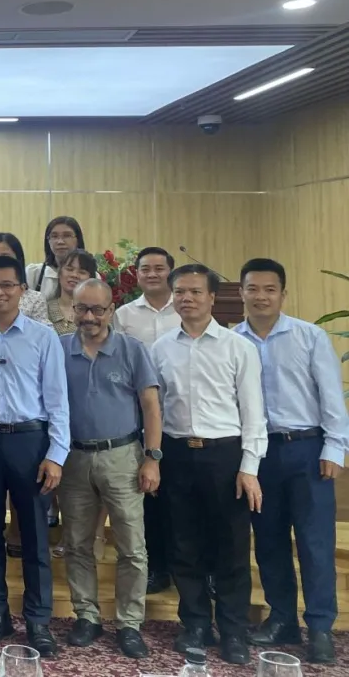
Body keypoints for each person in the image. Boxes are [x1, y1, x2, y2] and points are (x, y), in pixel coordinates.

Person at [150, 264, 265, 665]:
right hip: (177, 453)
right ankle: (195, 624)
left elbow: (254, 413)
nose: (187, 298)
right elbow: (155, 409)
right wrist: (154, 457)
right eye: (180, 292)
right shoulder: (161, 348)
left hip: (225, 455)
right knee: (184, 544)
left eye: (196, 292)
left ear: (212, 298)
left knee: (231, 547)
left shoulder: (238, 347)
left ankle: (233, 630)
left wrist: (249, 467)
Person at [234, 258, 343, 664]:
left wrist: (334, 448)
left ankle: (320, 627)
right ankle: (282, 618)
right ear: (241, 292)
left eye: (269, 289)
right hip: (259, 455)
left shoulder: (309, 336)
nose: (261, 296)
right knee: (269, 541)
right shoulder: (232, 340)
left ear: (283, 294)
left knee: (315, 543)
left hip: (306, 450)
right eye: (253, 288)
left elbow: (331, 395)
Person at [0, 254, 69, 656]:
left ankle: (38, 620)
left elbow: (58, 401)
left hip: (29, 441)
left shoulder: (43, 337)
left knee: (35, 535)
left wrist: (56, 454)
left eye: (7, 285)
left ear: (23, 290)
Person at [59, 278, 162, 659]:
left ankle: (130, 623)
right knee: (77, 543)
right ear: (72, 309)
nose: (89, 317)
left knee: (132, 546)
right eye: (82, 309)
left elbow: (151, 406)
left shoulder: (132, 350)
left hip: (123, 456)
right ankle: (86, 616)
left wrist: (152, 458)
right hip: (73, 458)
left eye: (97, 309)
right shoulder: (58, 349)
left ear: (111, 311)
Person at [115, 246, 180, 595]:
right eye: (145, 269)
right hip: (139, 416)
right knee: (149, 496)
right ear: (136, 274)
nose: (152, 274)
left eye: (159, 268)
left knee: (181, 497)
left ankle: (191, 568)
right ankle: (158, 567)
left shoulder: (185, 308)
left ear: (171, 271)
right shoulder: (124, 315)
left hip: (182, 416)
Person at [46, 249, 100, 336]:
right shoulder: (44, 309)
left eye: (82, 272)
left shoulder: (97, 313)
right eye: (69, 269)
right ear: (59, 273)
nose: (74, 275)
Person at [27, 216, 84, 297]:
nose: (60, 242)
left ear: (78, 240)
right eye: (54, 236)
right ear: (48, 241)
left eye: (67, 235)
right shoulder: (33, 273)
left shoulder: (91, 275)